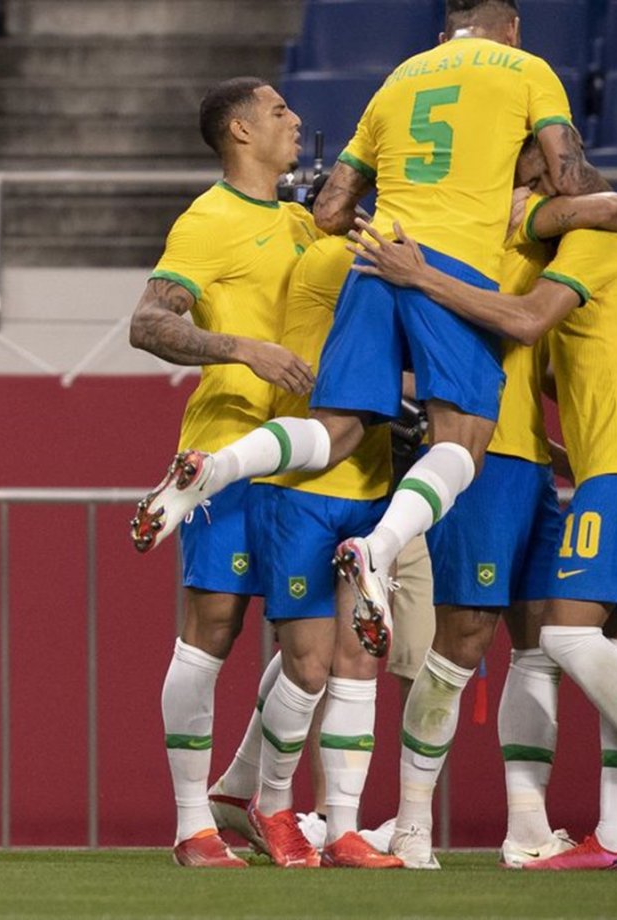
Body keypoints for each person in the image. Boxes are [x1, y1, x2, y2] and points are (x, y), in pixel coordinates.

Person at [129, 0, 609, 663]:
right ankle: (376, 550)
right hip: (444, 267)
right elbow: (568, 175)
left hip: (373, 259)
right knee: (464, 442)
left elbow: (329, 209)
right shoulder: (527, 70)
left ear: (445, 33)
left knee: (337, 428)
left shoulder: (400, 78)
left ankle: (214, 468)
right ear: (513, 28)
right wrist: (615, 211)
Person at [347, 144, 617, 873]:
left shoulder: (559, 244)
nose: (547, 169)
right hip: (499, 461)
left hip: (576, 467)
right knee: (468, 642)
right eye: (537, 154)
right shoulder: (478, 231)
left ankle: (534, 825)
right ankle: (415, 825)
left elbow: (546, 320)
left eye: (554, 159)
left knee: (546, 643)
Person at [126, 76, 317, 868]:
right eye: (278, 111)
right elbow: (147, 321)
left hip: (313, 454)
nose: (296, 119)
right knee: (213, 633)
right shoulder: (207, 220)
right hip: (229, 447)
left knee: (312, 646)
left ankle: (263, 800)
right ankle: (189, 826)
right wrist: (243, 347)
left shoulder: (305, 221)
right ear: (239, 131)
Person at [198, 232, 405, 870]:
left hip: (369, 483)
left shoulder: (394, 257)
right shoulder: (338, 256)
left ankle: (342, 827)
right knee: (310, 667)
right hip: (299, 491)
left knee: (360, 663)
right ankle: (274, 804)